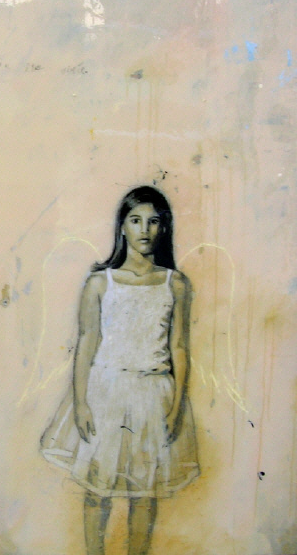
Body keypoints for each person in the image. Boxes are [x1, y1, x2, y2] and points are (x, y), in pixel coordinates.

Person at [41, 186, 199, 555]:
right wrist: (81, 403)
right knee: (97, 491)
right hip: (105, 394)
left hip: (153, 395)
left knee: (144, 494)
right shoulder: (100, 282)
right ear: (122, 227)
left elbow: (179, 347)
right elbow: (86, 344)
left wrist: (176, 405)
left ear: (164, 228)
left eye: (153, 221)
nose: (145, 229)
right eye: (135, 220)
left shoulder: (175, 283)